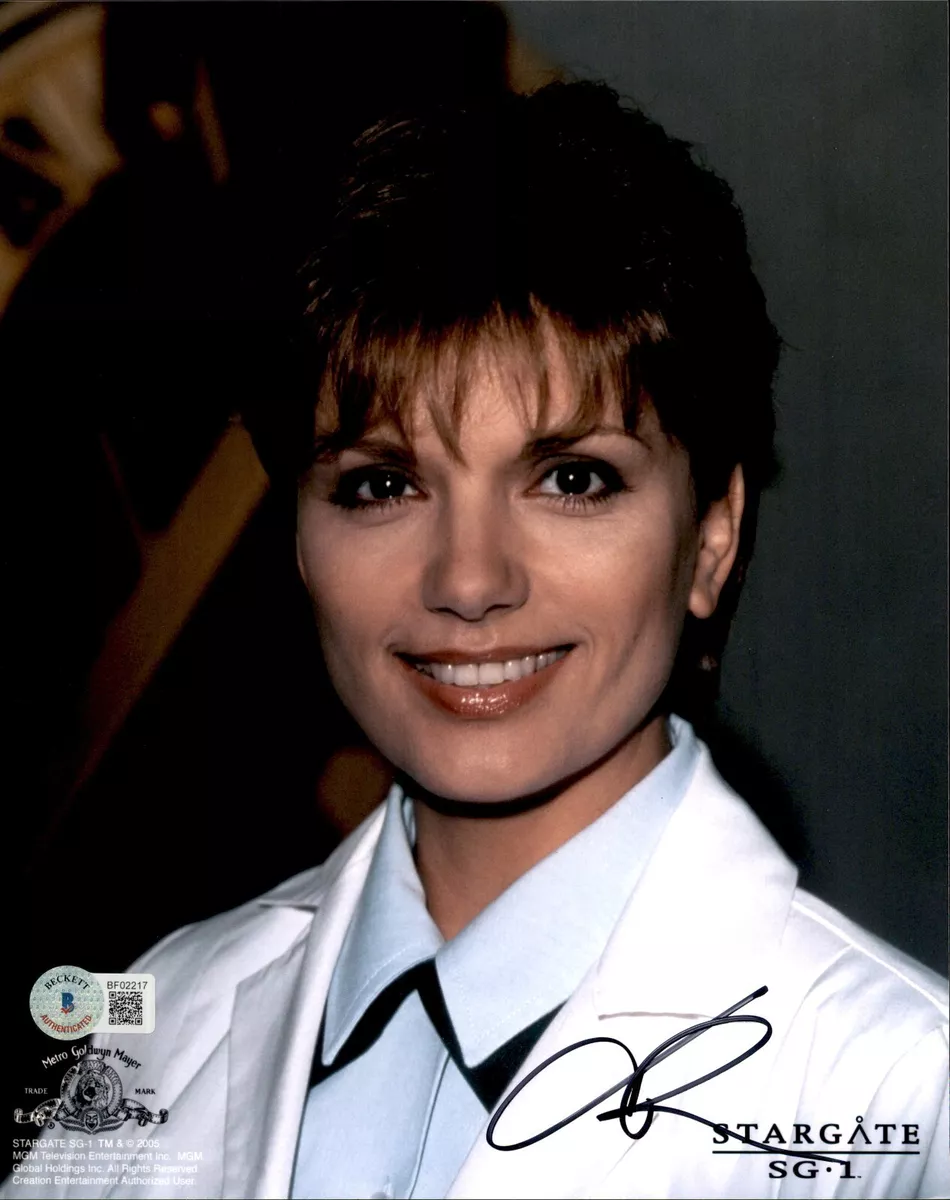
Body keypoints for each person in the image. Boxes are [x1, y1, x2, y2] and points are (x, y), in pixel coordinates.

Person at [15, 82, 947, 1200]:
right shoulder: (150, 1029)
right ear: (300, 543)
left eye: (571, 480)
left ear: (712, 537)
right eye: (382, 484)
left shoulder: (906, 1097)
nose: (467, 581)